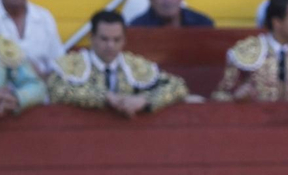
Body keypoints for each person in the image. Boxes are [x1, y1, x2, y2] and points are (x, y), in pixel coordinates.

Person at [47, 10, 190, 117]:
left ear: (124, 40)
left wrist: (144, 100)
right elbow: (55, 89)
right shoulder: (73, 64)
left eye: (116, 40)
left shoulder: (134, 65)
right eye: (104, 39)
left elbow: (178, 86)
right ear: (92, 38)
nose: (110, 45)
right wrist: (106, 97)